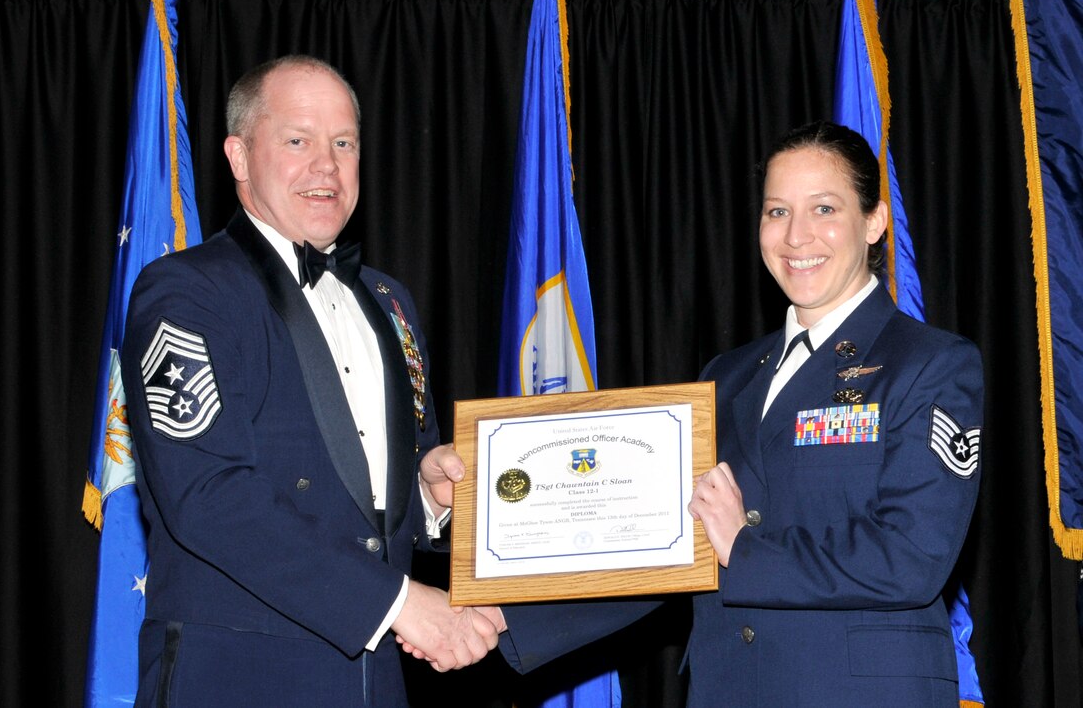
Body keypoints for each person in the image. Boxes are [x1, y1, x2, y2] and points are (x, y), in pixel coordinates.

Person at [453, 120, 983, 706]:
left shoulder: (931, 364)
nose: (797, 236)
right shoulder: (726, 376)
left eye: (824, 209)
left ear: (875, 221)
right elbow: (665, 542)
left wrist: (746, 550)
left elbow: (914, 557)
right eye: (777, 211)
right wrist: (506, 613)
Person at [122, 54, 497, 707]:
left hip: (374, 681)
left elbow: (371, 504)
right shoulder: (186, 294)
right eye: (298, 140)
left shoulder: (390, 302)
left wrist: (430, 497)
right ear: (239, 157)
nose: (326, 164)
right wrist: (400, 604)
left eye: (343, 143)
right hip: (240, 678)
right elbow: (211, 498)